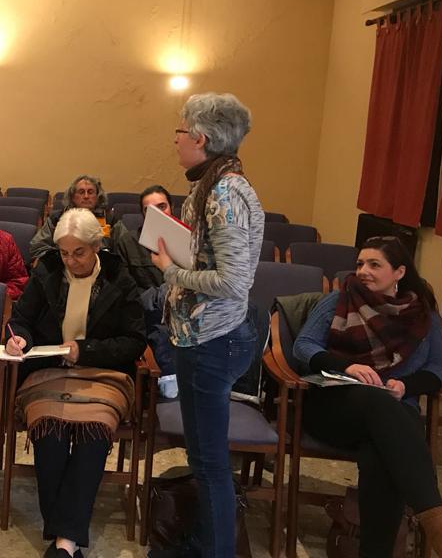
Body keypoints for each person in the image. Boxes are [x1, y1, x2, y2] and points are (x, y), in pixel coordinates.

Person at [293, 236, 442, 557]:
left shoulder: (422, 315)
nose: (363, 271)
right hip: (336, 405)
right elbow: (303, 347)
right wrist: (350, 367)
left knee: (381, 452)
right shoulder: (338, 301)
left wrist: (405, 386)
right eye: (360, 263)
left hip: (394, 414)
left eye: (374, 264)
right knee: (381, 407)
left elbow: (441, 370)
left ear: (399, 272)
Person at [151, 92, 264, 557]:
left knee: (212, 464)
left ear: (200, 138)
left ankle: (215, 550)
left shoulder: (226, 192)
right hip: (198, 336)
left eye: (179, 131)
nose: (175, 140)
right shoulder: (208, 184)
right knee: (202, 459)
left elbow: (234, 280)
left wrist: (170, 269)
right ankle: (203, 542)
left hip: (214, 341)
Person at [5, 208, 145, 558]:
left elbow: (134, 341)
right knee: (49, 434)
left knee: (93, 437)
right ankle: (66, 542)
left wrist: (84, 351)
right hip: (49, 369)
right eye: (65, 253)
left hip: (103, 374)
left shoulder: (120, 279)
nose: (70, 260)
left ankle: (62, 543)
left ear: (96, 246)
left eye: (78, 252)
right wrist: (18, 339)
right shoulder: (48, 271)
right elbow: (21, 318)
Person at [113, 185, 176, 374]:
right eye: (150, 210)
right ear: (143, 214)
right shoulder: (128, 242)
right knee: (165, 333)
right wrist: (161, 295)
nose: (158, 214)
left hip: (190, 311)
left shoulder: (189, 241)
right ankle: (171, 389)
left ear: (172, 208)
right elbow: (125, 292)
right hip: (151, 315)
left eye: (162, 207)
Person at [29, 175, 127, 259]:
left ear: (97, 196)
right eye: (81, 192)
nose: (86, 196)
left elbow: (126, 248)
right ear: (72, 196)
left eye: (90, 192)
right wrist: (60, 259)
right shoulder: (57, 218)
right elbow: (38, 246)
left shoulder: (110, 219)